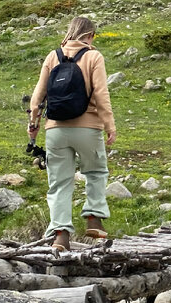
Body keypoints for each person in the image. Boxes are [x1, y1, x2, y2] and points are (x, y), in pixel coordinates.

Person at [28, 15, 117, 251]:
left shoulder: (52, 56)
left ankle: (61, 236)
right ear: (90, 35)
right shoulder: (93, 56)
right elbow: (101, 94)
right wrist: (109, 125)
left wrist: (33, 124)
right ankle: (93, 218)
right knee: (96, 170)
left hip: (55, 129)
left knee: (59, 183)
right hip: (87, 128)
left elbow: (38, 97)